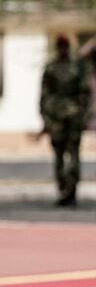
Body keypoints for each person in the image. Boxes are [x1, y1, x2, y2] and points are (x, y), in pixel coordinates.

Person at [38, 35, 90, 208]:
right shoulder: (52, 68)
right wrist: (45, 119)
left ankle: (72, 191)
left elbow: (85, 93)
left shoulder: (76, 67)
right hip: (57, 118)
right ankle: (63, 191)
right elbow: (44, 95)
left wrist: (85, 116)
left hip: (72, 117)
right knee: (60, 156)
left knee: (73, 155)